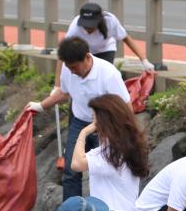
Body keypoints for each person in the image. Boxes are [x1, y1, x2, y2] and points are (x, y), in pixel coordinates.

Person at [27, 37, 130, 201]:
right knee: (70, 170)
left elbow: (125, 106)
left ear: (87, 57)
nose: (72, 71)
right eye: (68, 67)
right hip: (79, 122)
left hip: (106, 126)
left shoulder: (108, 74)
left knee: (104, 170)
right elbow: (63, 92)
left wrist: (127, 133)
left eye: (74, 67)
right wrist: (41, 106)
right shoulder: (69, 70)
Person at [70, 94, 149, 211]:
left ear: (103, 122)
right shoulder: (127, 146)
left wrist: (83, 132)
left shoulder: (111, 153)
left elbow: (76, 164)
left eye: (94, 118)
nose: (92, 122)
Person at [54, 3, 154, 86]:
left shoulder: (110, 21)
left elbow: (126, 38)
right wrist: (57, 85)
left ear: (99, 21)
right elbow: (62, 54)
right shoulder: (75, 27)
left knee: (103, 78)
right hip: (85, 53)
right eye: (85, 26)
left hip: (105, 50)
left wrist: (144, 60)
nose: (87, 29)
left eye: (90, 26)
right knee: (84, 78)